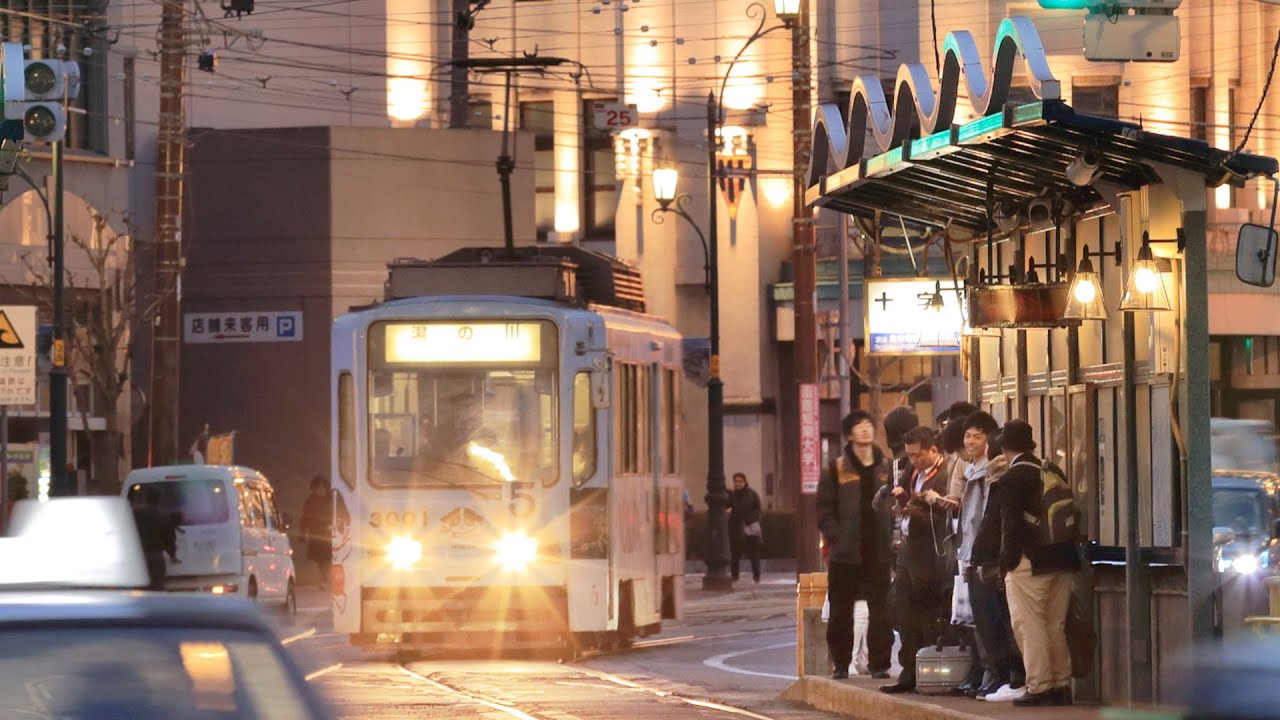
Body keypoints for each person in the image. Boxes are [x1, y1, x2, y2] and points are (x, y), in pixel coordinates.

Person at [993, 419, 1081, 707]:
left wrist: (1006, 562)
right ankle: (1061, 683)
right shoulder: (1051, 470)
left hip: (1030, 561)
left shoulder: (1011, 478)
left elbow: (1011, 526)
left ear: (1004, 447)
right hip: (1064, 557)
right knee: (1055, 624)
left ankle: (1040, 685)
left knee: (1028, 624)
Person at [876, 425, 957, 694]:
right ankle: (908, 671)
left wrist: (913, 507)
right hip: (908, 552)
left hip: (931, 554)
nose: (914, 461)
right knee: (903, 613)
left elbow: (944, 517)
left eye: (919, 455)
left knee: (927, 615)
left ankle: (929, 670)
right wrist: (900, 501)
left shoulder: (944, 475)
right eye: (910, 456)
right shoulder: (910, 473)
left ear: (934, 450)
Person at [817, 409, 895, 681]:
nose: (865, 430)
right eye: (859, 426)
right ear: (849, 434)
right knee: (841, 611)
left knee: (881, 609)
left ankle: (880, 664)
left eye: (868, 425)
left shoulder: (887, 466)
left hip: (879, 549)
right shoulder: (835, 469)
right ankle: (840, 663)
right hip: (845, 552)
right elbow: (824, 509)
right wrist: (834, 536)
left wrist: (893, 537)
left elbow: (896, 505)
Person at [132, 486, 178, 591]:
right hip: (156, 558)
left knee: (140, 589)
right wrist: (173, 555)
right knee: (157, 588)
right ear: (159, 499)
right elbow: (170, 540)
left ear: (147, 498)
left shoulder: (137, 514)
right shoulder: (163, 517)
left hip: (140, 558)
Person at [729, 472, 763, 583]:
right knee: (735, 554)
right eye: (736, 481)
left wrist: (750, 520)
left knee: (754, 554)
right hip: (736, 528)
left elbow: (758, 509)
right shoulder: (733, 495)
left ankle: (756, 576)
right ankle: (735, 576)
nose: (738, 484)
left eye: (740, 481)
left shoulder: (752, 494)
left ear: (745, 482)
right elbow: (726, 505)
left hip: (750, 527)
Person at [300, 475, 333, 588]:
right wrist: (304, 532)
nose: (319, 489)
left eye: (321, 487)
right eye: (317, 487)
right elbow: (305, 517)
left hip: (330, 533)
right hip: (317, 534)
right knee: (321, 558)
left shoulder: (331, 500)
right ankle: (323, 578)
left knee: (328, 557)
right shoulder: (310, 500)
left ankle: (325, 578)